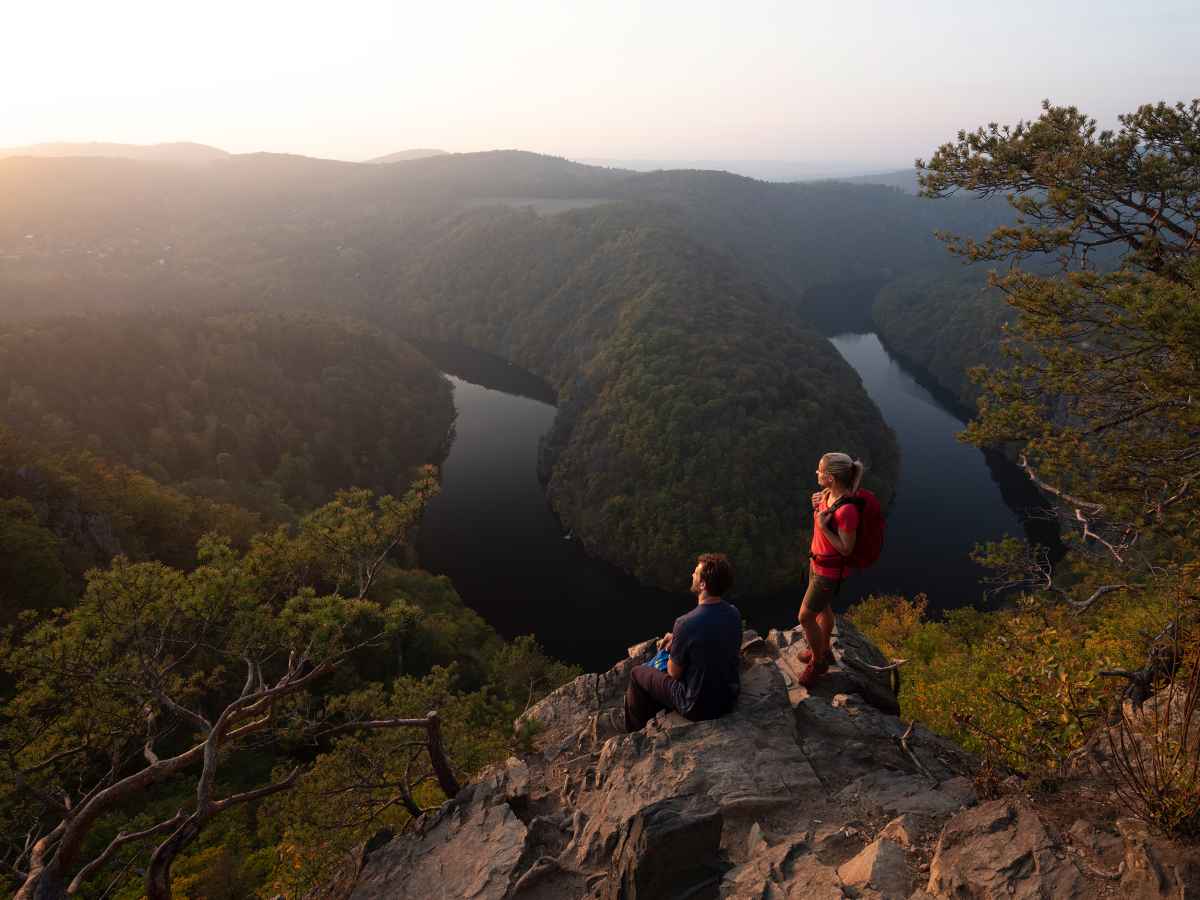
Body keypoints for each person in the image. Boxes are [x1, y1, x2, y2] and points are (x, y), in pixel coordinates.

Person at [623, 553, 742, 732]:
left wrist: (675, 645)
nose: (692, 575)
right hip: (728, 698)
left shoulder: (685, 623)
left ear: (703, 584)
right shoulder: (734, 613)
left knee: (637, 673)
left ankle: (635, 734)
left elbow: (674, 672)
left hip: (697, 706)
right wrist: (679, 640)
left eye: (695, 573)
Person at [797, 452, 865, 686]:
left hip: (829, 572)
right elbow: (822, 523)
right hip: (817, 562)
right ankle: (824, 650)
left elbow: (847, 549)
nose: (817, 473)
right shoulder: (827, 495)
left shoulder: (847, 510)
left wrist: (823, 528)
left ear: (831, 478)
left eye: (820, 471)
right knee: (823, 610)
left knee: (805, 617)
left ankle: (818, 663)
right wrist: (816, 507)